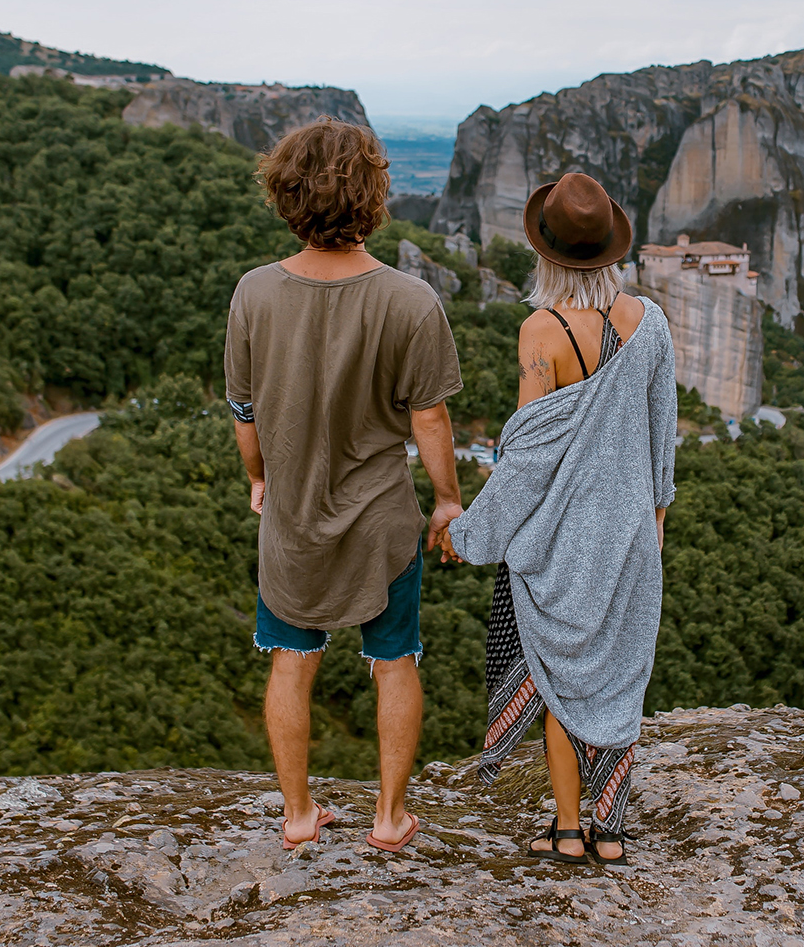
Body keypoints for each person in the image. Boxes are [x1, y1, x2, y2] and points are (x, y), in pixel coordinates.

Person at [225, 118, 466, 854]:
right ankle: (389, 818)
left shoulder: (254, 293)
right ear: (373, 195)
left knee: (289, 661)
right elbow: (429, 418)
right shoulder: (410, 300)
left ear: (286, 193)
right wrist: (449, 498)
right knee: (395, 660)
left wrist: (259, 477)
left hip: (292, 517)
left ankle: (298, 814)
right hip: (381, 521)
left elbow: (244, 413)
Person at [446, 172, 676, 865]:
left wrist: (469, 534)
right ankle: (612, 831)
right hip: (633, 533)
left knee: (557, 679)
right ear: (611, 248)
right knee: (618, 674)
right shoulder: (652, 322)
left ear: (547, 252)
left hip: (562, 538)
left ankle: (570, 829)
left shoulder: (540, 332)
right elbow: (662, 441)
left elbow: (525, 460)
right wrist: (655, 527)